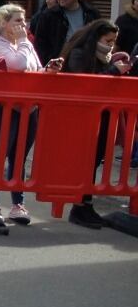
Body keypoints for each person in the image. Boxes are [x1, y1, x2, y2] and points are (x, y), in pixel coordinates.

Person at [0, 4, 60, 224]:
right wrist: (23, 42)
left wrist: (49, 70)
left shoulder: (24, 44)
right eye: (18, 21)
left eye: (24, 21)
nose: (23, 25)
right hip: (5, 106)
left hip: (28, 106)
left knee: (19, 156)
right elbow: (19, 65)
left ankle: (17, 203)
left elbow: (35, 68)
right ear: (4, 23)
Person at [59, 19, 133, 228]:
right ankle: (80, 206)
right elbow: (87, 84)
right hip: (83, 117)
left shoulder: (104, 56)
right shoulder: (79, 53)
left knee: (95, 160)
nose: (110, 45)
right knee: (87, 161)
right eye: (107, 40)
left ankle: (86, 204)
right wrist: (114, 71)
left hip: (102, 116)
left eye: (113, 41)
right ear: (96, 37)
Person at [33, 0, 101, 65]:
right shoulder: (49, 15)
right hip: (57, 63)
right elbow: (40, 42)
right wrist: (47, 62)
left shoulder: (91, 13)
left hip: (85, 61)